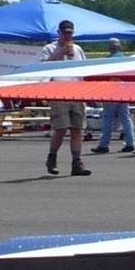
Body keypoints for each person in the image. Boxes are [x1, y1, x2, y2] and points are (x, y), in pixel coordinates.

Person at [42, 20, 90, 176]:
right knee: (61, 128)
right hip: (58, 92)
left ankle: (77, 162)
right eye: (65, 33)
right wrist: (61, 53)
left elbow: (85, 70)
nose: (68, 36)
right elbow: (43, 67)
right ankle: (52, 157)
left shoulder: (78, 50)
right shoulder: (50, 48)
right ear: (59, 33)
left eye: (70, 33)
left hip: (76, 92)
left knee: (77, 129)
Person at [93, 37, 135, 154]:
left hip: (110, 91)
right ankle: (130, 142)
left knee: (108, 118)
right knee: (125, 117)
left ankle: (104, 144)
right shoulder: (125, 60)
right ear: (119, 47)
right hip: (123, 91)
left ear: (109, 48)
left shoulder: (106, 61)